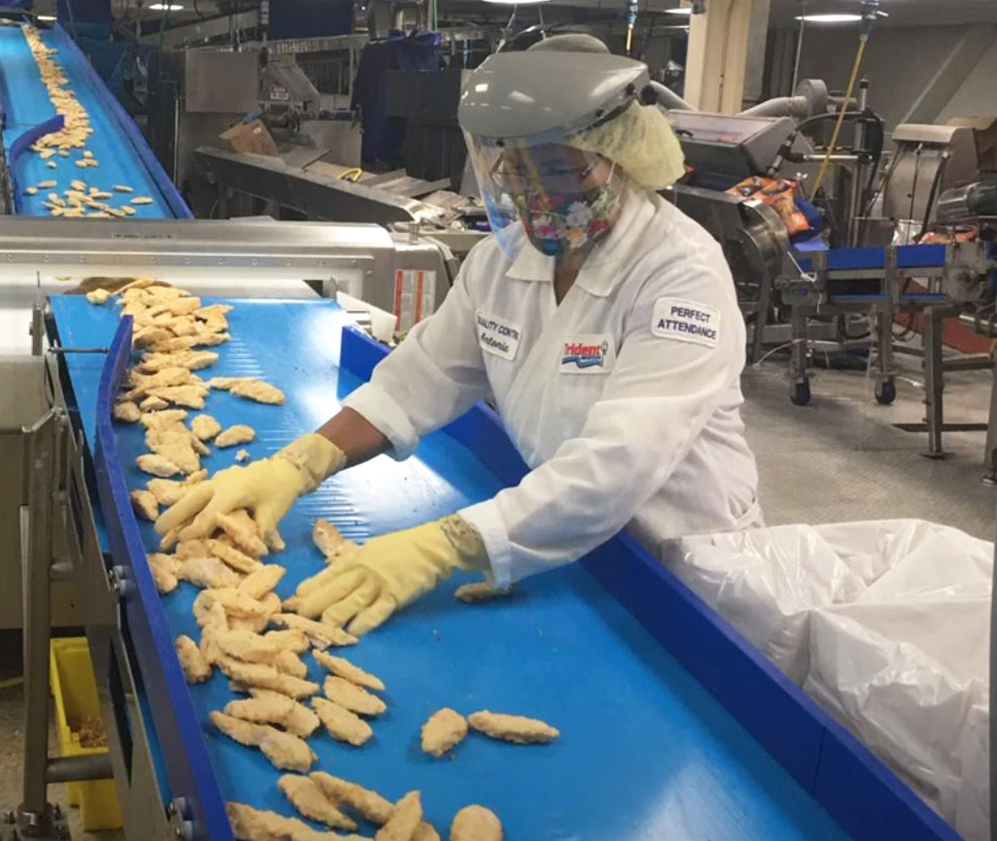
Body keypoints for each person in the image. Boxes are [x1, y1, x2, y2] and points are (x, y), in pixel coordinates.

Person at [156, 36, 761, 636]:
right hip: (555, 539)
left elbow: (619, 464)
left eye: (556, 167)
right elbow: (422, 378)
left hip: (673, 566)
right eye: (515, 168)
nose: (532, 192)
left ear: (620, 155)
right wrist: (296, 465)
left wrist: (441, 546)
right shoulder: (505, 262)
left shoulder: (679, 274)